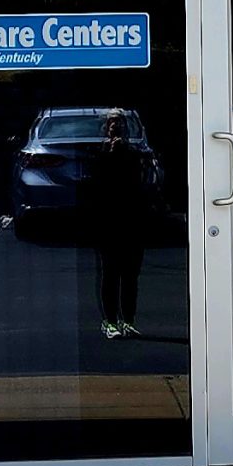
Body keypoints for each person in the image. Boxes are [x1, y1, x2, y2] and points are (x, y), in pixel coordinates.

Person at [79, 109, 150, 339]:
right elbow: (94, 185)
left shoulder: (134, 154)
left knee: (130, 275)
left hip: (132, 220)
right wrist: (109, 154)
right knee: (110, 273)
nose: (114, 127)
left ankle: (128, 320)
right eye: (111, 123)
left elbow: (140, 182)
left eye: (118, 123)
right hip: (108, 221)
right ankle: (110, 321)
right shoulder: (98, 155)